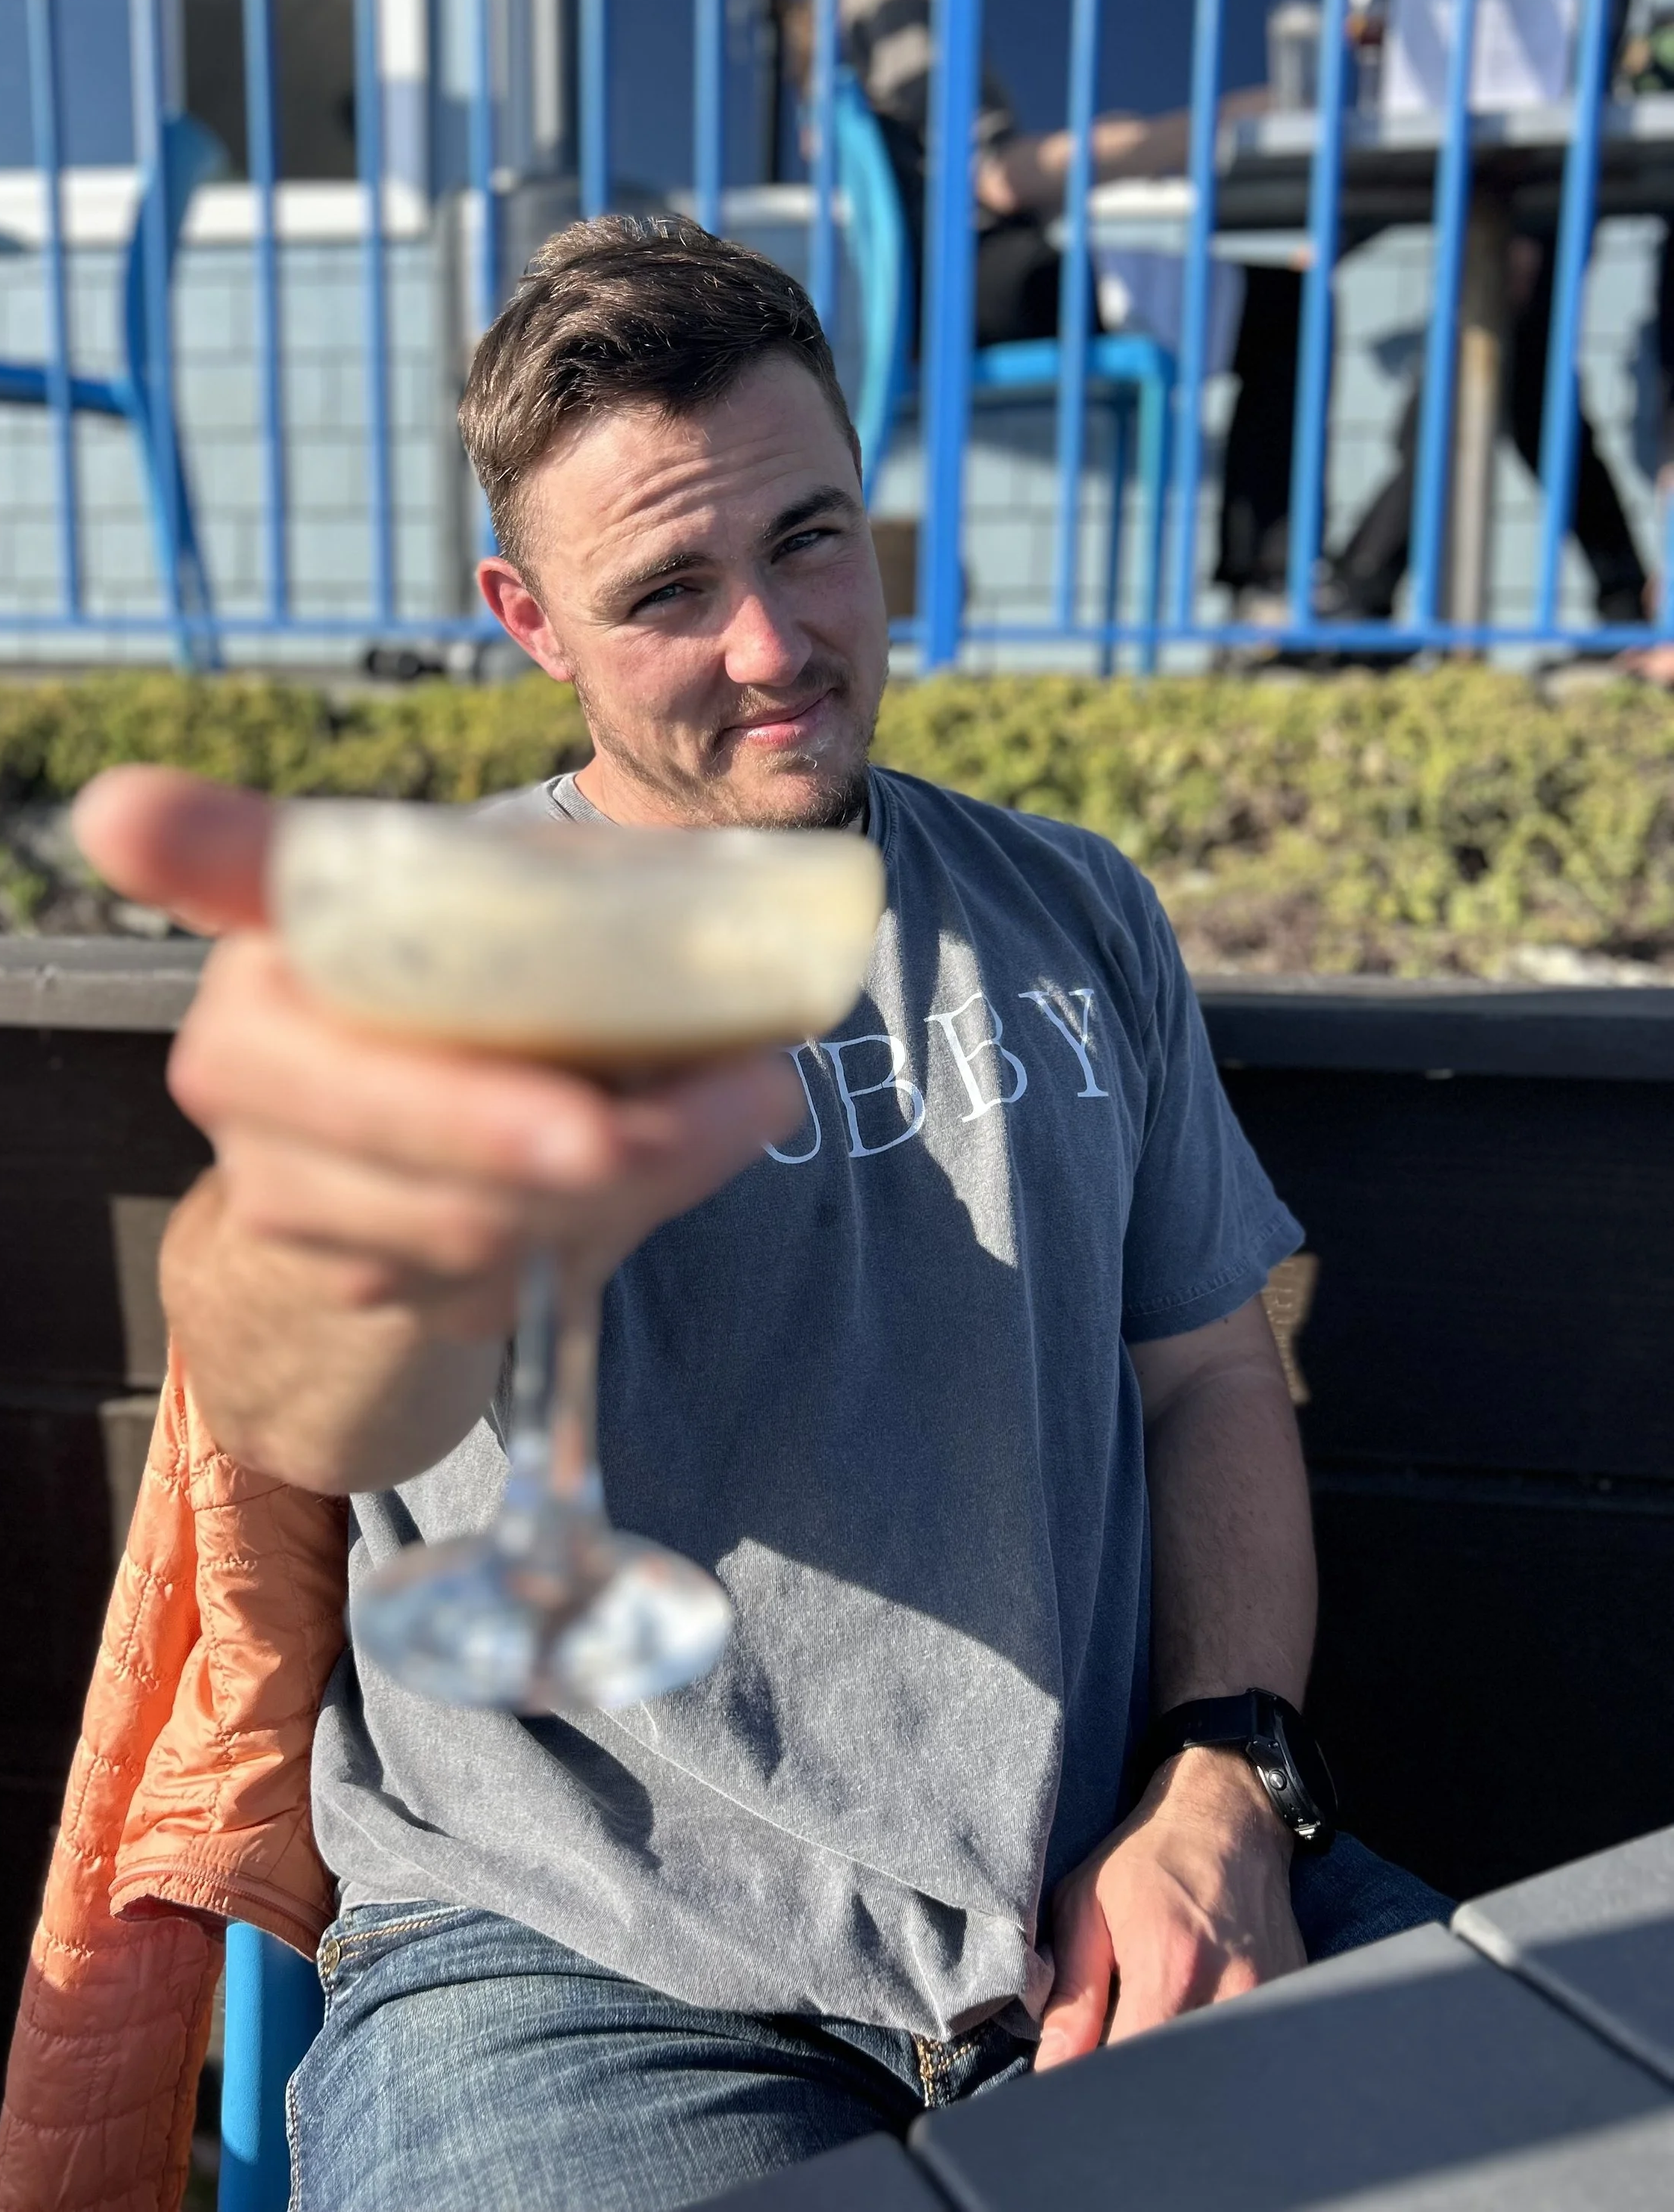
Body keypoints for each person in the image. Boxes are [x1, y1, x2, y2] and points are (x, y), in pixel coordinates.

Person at [76, 215, 1446, 2212]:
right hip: (576, 1960)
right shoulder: (432, 949)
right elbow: (318, 1381)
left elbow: (1206, 1375)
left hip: (1104, 1878)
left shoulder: (1072, 909)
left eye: (809, 538)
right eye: (663, 590)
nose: (770, 643)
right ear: (525, 619)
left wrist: (1226, 1776)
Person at [1220, 0, 1659, 633]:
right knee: (1525, 388)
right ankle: (1613, 588)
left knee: (1478, 368)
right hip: (1487, 171)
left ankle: (1363, 588)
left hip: (1541, 178)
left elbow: (1572, 64)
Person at [823, 0, 1263, 348]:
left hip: (967, 277)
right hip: (977, 280)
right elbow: (999, 176)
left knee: (1256, 301)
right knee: (1280, 309)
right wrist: (1199, 130)